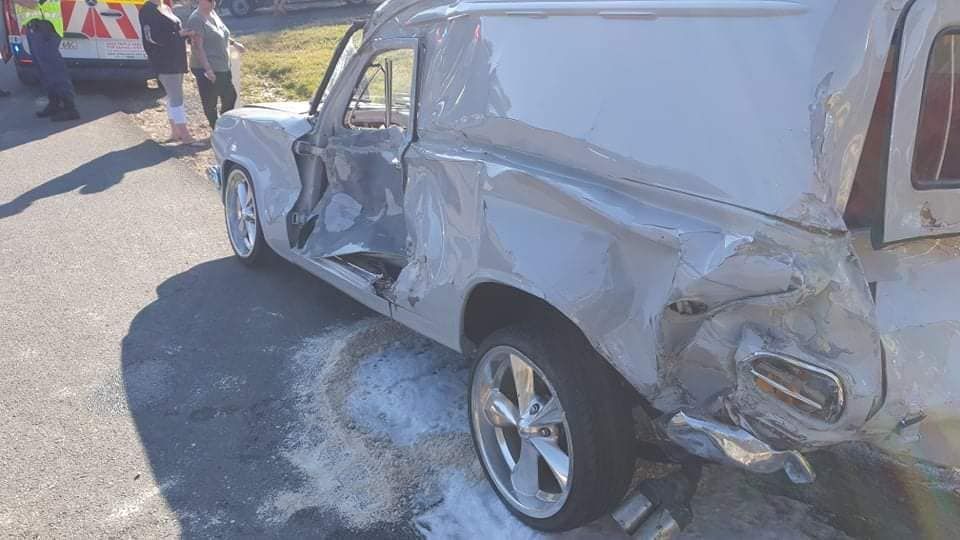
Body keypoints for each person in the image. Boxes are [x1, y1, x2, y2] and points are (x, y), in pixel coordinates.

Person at [139, 0, 197, 145]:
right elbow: (151, 37)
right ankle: (185, 135)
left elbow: (174, 31)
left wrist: (184, 34)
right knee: (177, 98)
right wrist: (179, 34)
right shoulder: (147, 10)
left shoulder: (165, 7)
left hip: (177, 58)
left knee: (173, 97)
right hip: (164, 60)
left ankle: (175, 132)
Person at [13, 0, 79, 121]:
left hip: (45, 28)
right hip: (35, 28)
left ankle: (70, 108)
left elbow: (32, 3)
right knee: (44, 71)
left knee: (54, 69)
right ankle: (55, 103)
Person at [185, 0, 244, 129]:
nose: (214, 2)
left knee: (230, 95)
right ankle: (217, 127)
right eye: (210, 0)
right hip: (206, 66)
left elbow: (221, 33)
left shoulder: (212, 13)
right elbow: (198, 48)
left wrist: (234, 44)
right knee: (210, 100)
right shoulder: (196, 20)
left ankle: (223, 124)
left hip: (222, 65)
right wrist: (208, 70)